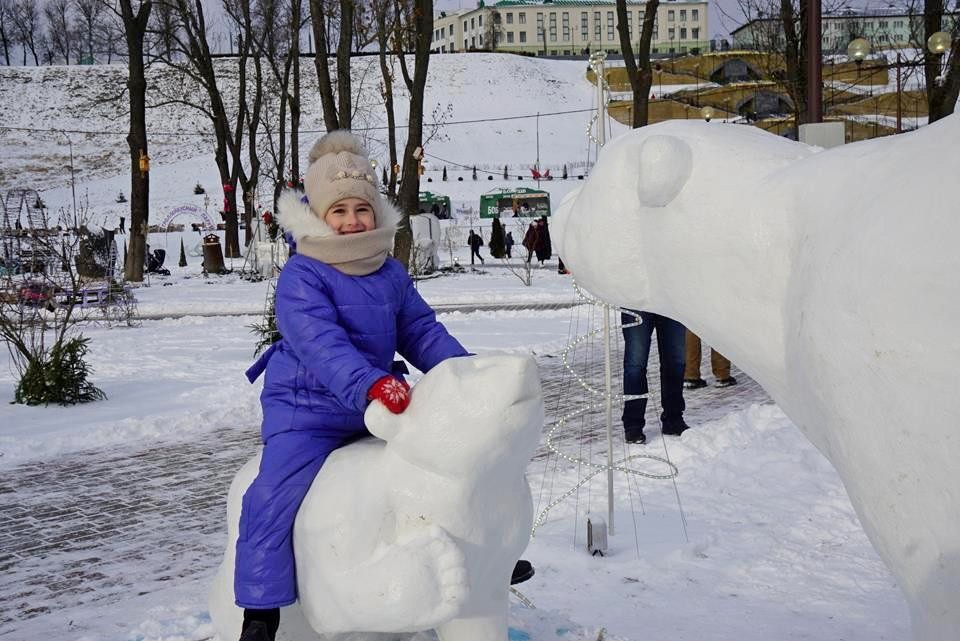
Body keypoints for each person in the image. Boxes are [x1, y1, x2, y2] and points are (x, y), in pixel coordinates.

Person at [237, 132, 532, 641]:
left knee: (457, 461)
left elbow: (419, 330)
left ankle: (490, 560)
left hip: (377, 402)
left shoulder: (388, 271)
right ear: (319, 216)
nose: (353, 221)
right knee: (271, 495)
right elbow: (320, 343)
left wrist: (461, 375)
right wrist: (372, 384)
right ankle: (260, 609)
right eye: (340, 211)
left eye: (362, 209)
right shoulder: (303, 275)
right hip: (307, 409)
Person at [621, 310, 690, 445]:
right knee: (635, 364)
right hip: (636, 300)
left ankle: (673, 418)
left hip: (671, 300)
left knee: (676, 361)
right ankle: (633, 424)